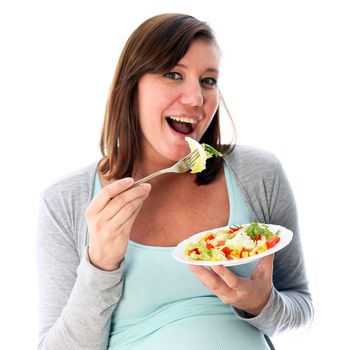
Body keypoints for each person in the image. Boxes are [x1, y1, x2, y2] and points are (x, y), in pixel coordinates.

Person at [36, 13, 313, 350]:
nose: (196, 98)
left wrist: (259, 304)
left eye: (208, 80)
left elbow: (301, 308)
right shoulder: (66, 201)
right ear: (131, 85)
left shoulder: (258, 173)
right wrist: (101, 264)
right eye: (173, 74)